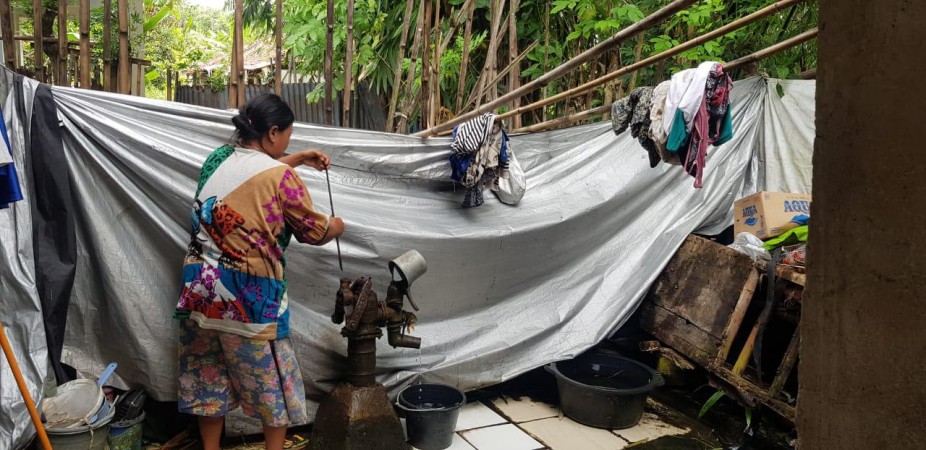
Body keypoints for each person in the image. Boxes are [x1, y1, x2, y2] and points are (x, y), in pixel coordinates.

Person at [174, 94, 345, 450]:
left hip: (201, 293)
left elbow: (251, 173)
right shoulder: (281, 177)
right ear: (272, 133)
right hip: (250, 302)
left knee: (209, 376)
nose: (288, 144)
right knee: (273, 387)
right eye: (287, 137)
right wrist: (338, 225)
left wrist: (297, 159)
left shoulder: (217, 158)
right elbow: (314, 232)